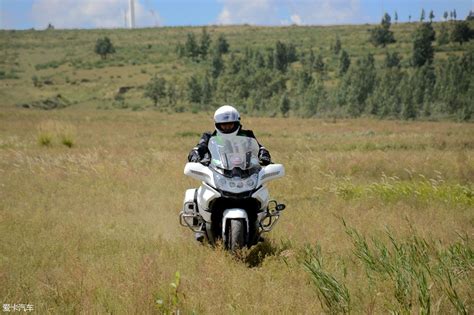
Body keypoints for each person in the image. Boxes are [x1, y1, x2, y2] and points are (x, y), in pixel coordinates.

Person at [187, 105, 271, 166]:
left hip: (246, 173)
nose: (227, 127)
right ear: (218, 125)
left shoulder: (247, 135)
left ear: (236, 123)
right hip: (216, 172)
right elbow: (199, 147)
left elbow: (259, 148)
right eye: (224, 125)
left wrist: (264, 154)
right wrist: (195, 154)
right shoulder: (209, 136)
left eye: (230, 124)